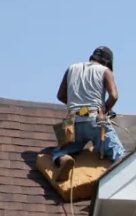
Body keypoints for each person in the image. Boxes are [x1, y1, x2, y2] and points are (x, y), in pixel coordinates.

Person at [52, 46, 125, 176]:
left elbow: (60, 96)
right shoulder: (105, 71)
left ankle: (64, 159)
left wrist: (78, 107)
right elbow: (114, 96)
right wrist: (104, 110)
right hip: (94, 118)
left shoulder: (71, 68)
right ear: (107, 62)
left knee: (59, 151)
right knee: (118, 153)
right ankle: (114, 178)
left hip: (72, 121)